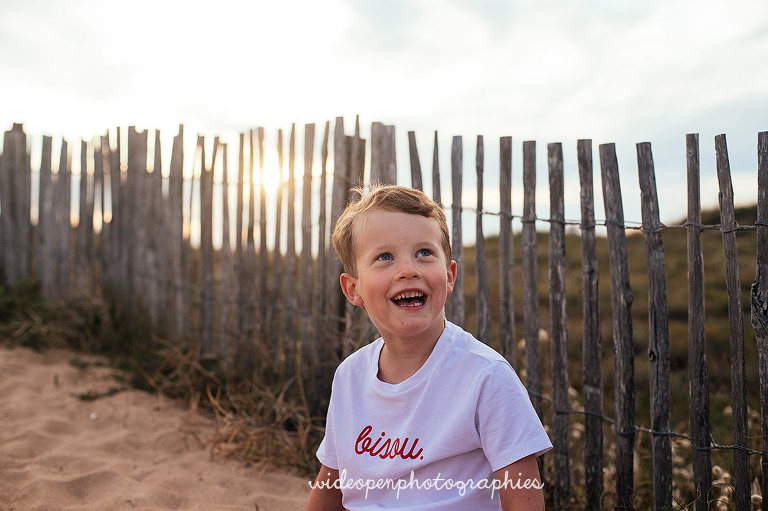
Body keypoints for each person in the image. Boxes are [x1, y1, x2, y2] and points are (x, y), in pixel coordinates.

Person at [306, 185, 551, 511]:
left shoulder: (485, 378)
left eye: (424, 253)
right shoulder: (350, 376)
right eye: (384, 257)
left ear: (449, 276)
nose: (408, 269)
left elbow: (524, 501)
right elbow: (331, 486)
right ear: (354, 289)